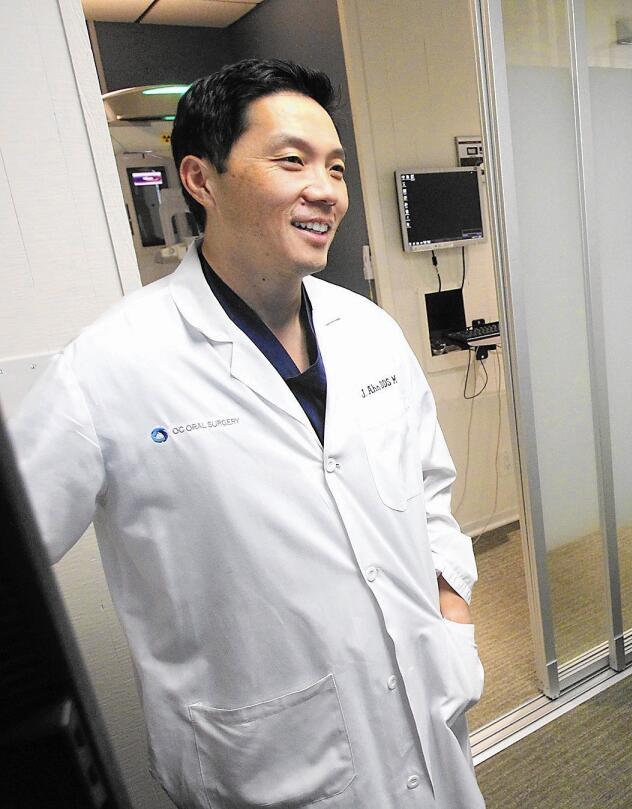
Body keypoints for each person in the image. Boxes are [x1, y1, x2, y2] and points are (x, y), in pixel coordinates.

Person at [11, 59, 485, 808]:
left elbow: (429, 490)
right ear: (200, 179)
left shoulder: (368, 331)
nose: (325, 190)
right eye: (291, 160)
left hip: (425, 713)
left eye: (334, 166)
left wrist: (450, 604)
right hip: (267, 763)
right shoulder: (109, 367)